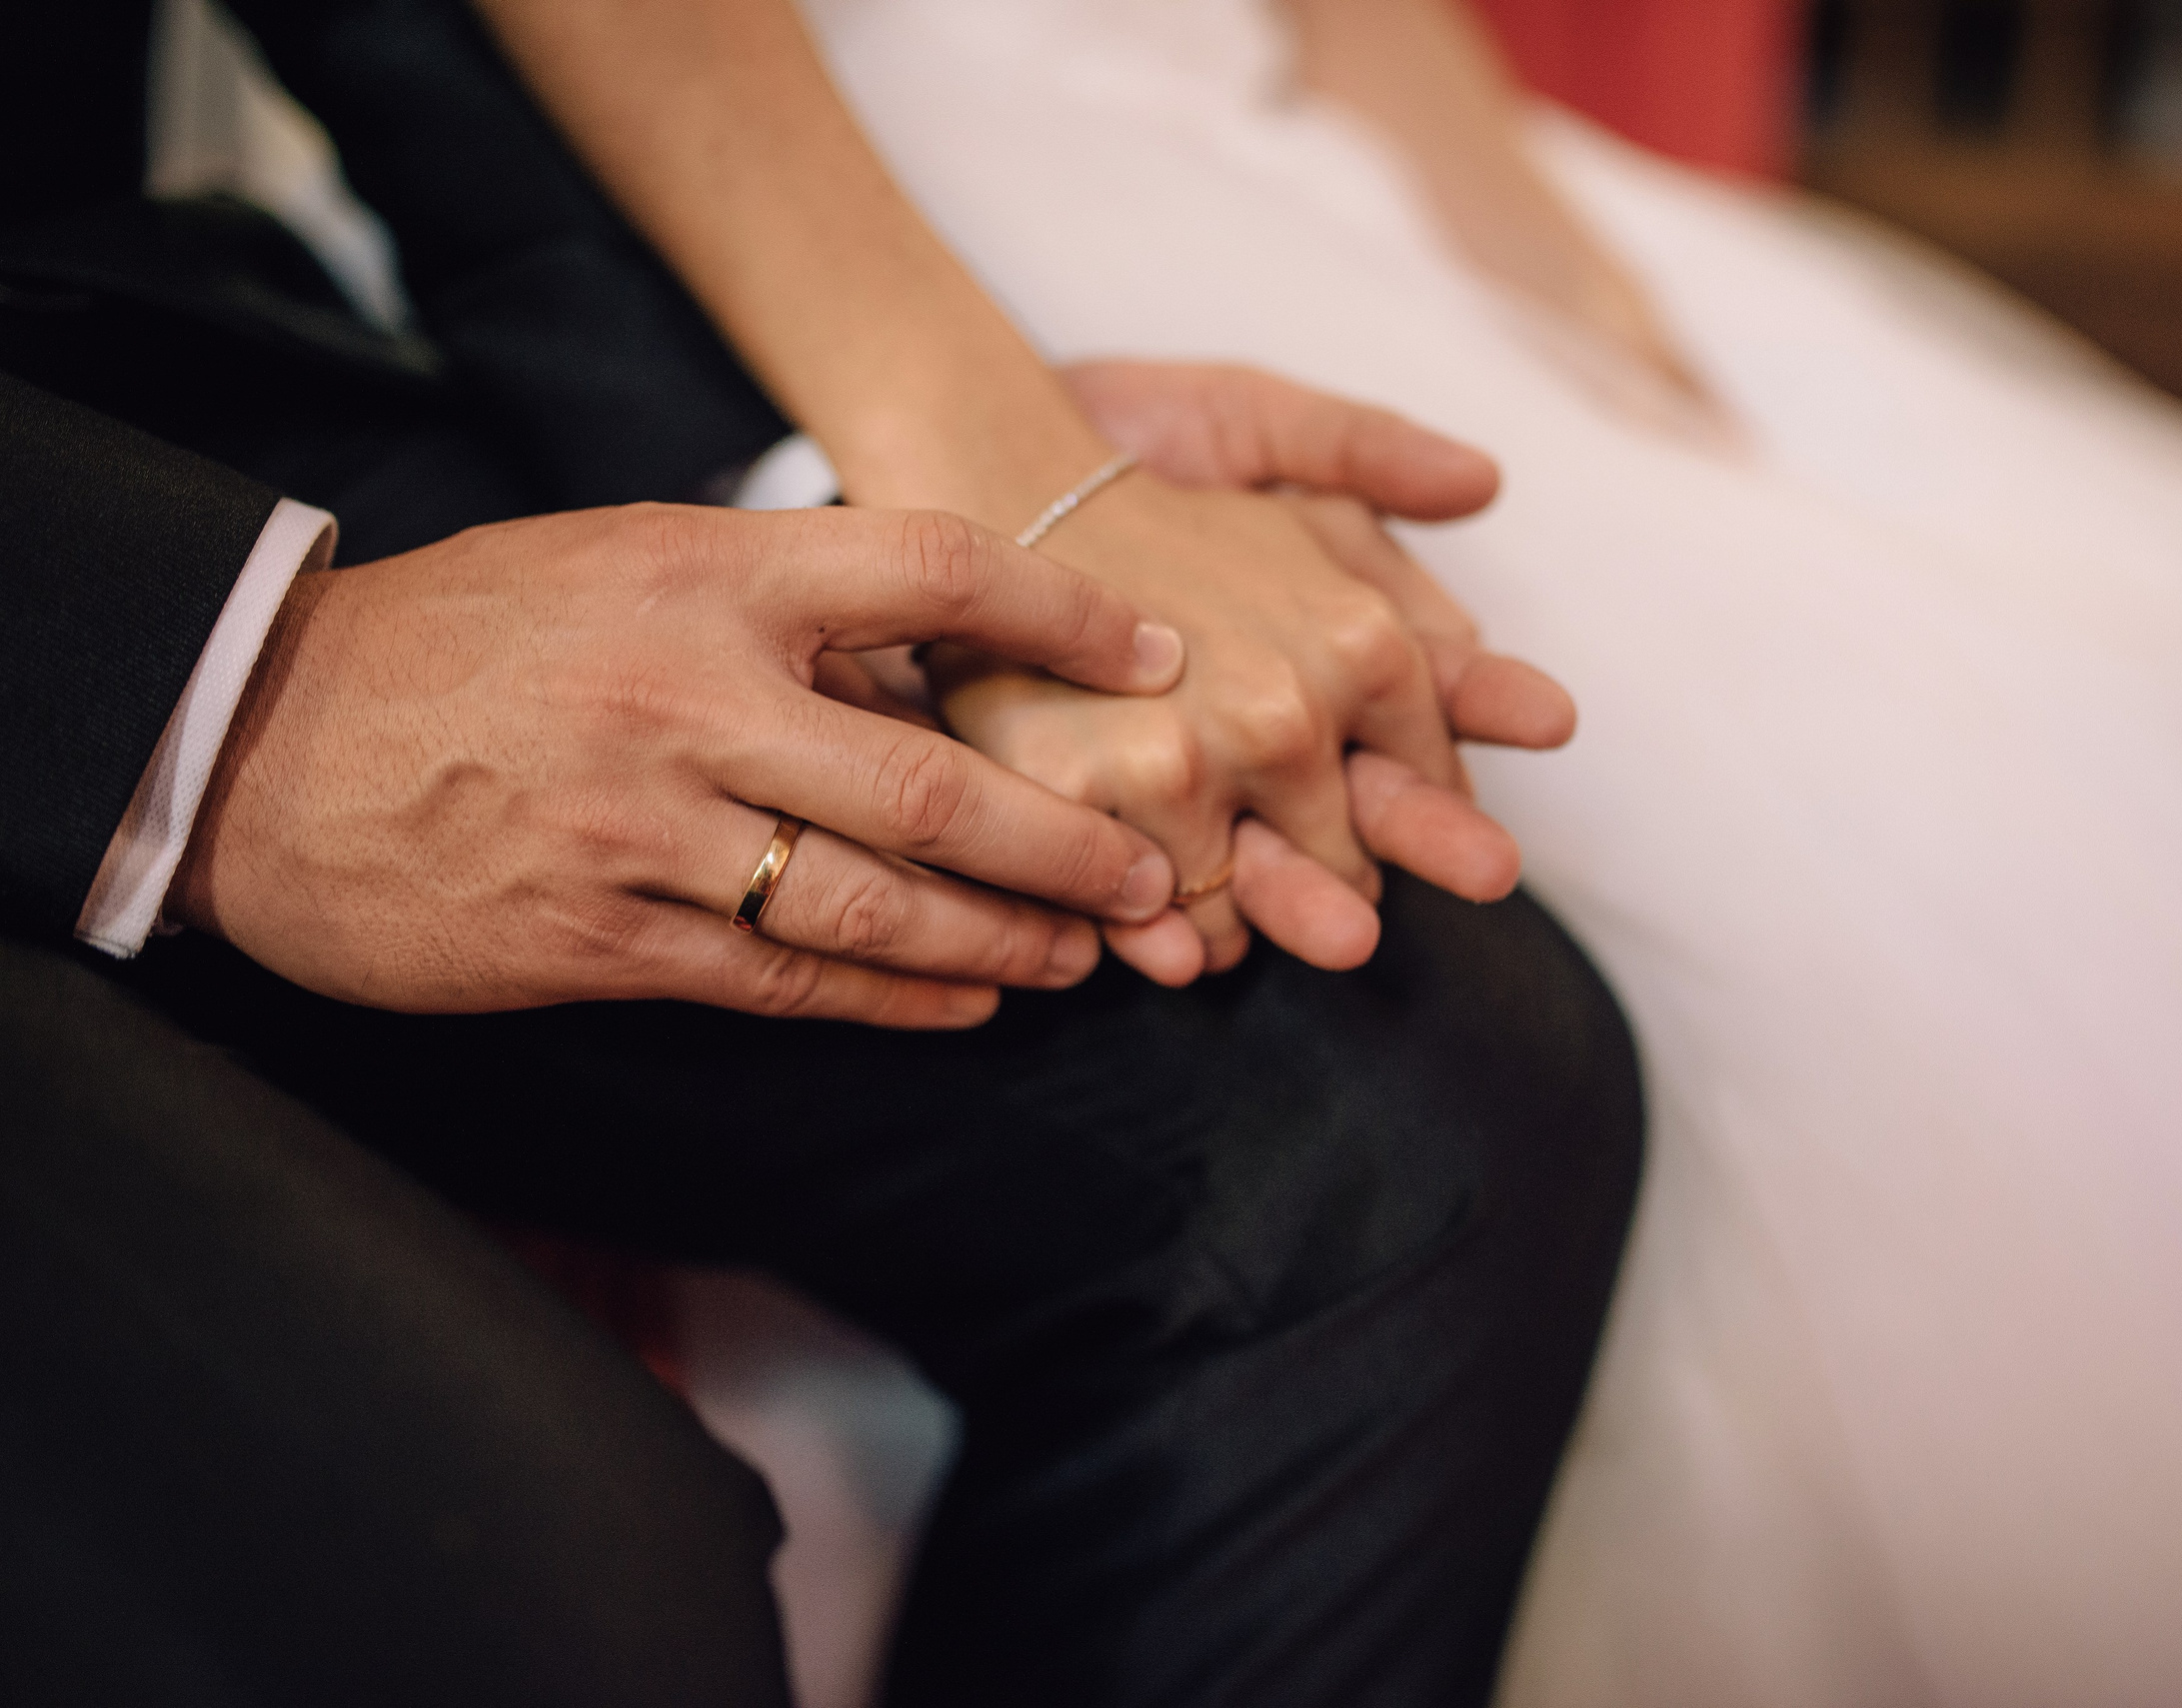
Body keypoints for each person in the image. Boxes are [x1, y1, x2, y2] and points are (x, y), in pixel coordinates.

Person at [732, 0, 2182, 1701]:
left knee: (2159, 717)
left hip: (1277, 155)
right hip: (881, 207)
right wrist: (987, 447)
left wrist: (1547, 267)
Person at [0, 4, 1644, 1704]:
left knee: (1398, 1105)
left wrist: (840, 494)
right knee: (548, 1588)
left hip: (107, 368)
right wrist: (222, 701)